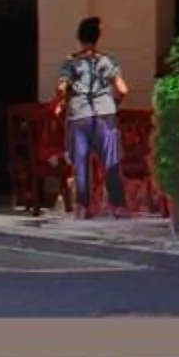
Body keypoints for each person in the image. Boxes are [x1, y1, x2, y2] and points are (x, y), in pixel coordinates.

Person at [57, 18, 129, 217]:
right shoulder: (107, 61)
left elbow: (61, 88)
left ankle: (83, 207)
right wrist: (113, 103)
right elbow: (123, 89)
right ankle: (117, 206)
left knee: (80, 162)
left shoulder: (71, 62)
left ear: (79, 37)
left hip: (79, 115)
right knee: (110, 160)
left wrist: (62, 102)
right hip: (105, 114)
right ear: (97, 38)